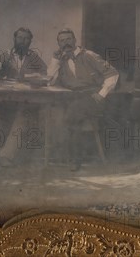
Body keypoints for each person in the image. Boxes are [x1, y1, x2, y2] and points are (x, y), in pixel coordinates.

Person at [48, 28, 119, 170]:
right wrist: (55, 60)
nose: (66, 43)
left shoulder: (89, 55)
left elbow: (113, 73)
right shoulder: (61, 60)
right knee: (55, 113)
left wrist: (102, 93)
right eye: (62, 41)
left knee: (71, 115)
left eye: (68, 39)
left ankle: (75, 160)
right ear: (58, 44)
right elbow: (50, 80)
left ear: (75, 40)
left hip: (94, 97)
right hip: (74, 98)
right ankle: (62, 156)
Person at [0, 27, 47, 166]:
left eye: (26, 39)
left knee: (22, 117)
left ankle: (6, 156)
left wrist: (33, 78)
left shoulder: (34, 57)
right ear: (14, 39)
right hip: (6, 100)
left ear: (30, 41)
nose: (22, 41)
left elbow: (45, 75)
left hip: (27, 101)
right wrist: (0, 60)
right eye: (20, 38)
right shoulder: (5, 55)